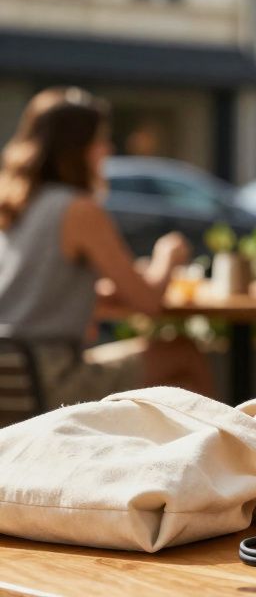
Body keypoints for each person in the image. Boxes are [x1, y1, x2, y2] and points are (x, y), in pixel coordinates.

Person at [0, 87, 209, 405]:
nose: (108, 149)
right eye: (100, 140)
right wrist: (167, 257)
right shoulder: (79, 208)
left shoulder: (17, 203)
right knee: (183, 355)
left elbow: (31, 295)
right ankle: (236, 454)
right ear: (78, 147)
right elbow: (148, 302)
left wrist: (96, 296)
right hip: (48, 376)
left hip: (12, 375)